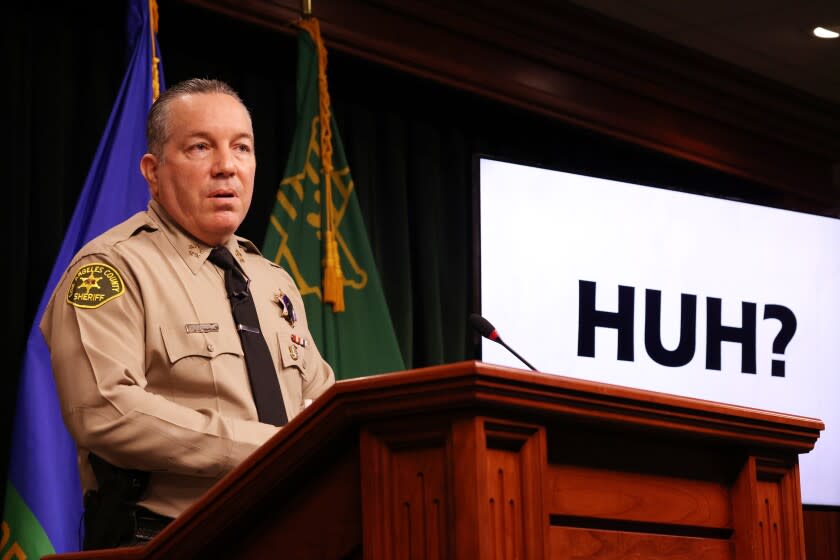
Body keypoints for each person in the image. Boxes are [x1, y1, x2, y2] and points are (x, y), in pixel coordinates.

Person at [40, 78, 336, 549]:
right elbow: (105, 411)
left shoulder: (272, 280)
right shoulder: (110, 270)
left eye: (242, 148)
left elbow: (322, 405)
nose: (227, 168)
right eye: (201, 147)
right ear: (153, 171)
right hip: (167, 539)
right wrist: (266, 451)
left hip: (287, 533)